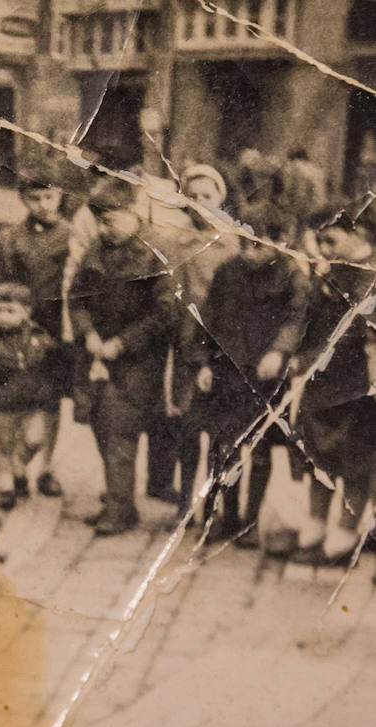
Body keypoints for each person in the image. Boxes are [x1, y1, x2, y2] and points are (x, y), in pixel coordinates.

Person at [189, 202, 309, 547]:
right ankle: (222, 517)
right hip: (228, 372)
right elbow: (208, 320)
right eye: (242, 243)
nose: (246, 252)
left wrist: (278, 351)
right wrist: (204, 362)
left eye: (255, 245)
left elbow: (297, 319)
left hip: (266, 377)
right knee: (221, 446)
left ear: (279, 241)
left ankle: (250, 522)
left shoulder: (292, 277)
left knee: (258, 450)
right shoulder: (228, 271)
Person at [68, 178, 176, 536]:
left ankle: (119, 508)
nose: (102, 229)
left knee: (119, 431)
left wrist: (123, 343)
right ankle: (119, 498)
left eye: (109, 220)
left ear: (132, 213)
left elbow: (165, 313)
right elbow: (76, 297)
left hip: (137, 362)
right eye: (98, 221)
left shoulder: (156, 251)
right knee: (101, 425)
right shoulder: (96, 251)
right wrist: (88, 333)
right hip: (97, 355)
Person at [151, 164, 241, 519]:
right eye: (195, 196)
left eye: (209, 196)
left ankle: (214, 505)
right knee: (188, 428)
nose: (202, 203)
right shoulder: (174, 242)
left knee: (222, 431)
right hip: (187, 345)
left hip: (223, 349)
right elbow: (162, 292)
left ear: (221, 199)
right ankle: (185, 502)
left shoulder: (235, 245)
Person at [289, 203, 376, 564]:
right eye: (319, 242)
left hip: (358, 383)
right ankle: (316, 530)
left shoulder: (370, 277)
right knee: (318, 458)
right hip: (323, 383)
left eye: (330, 240)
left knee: (356, 462)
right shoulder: (333, 272)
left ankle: (342, 538)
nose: (323, 248)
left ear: (356, 235)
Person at [0, 160, 73, 498]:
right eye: (35, 198)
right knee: (14, 400)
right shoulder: (9, 240)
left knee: (49, 404)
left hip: (56, 333)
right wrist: (5, 320)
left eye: (50, 197)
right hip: (16, 333)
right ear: (22, 199)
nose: (44, 205)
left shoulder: (72, 236)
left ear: (60, 196)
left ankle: (44, 467)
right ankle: (13, 465)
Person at [0, 282, 61, 510]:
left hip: (33, 400)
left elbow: (51, 361)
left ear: (26, 312)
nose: (3, 317)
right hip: (2, 402)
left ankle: (18, 467)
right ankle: (6, 486)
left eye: (10, 311)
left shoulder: (38, 335)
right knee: (5, 445)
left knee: (35, 438)